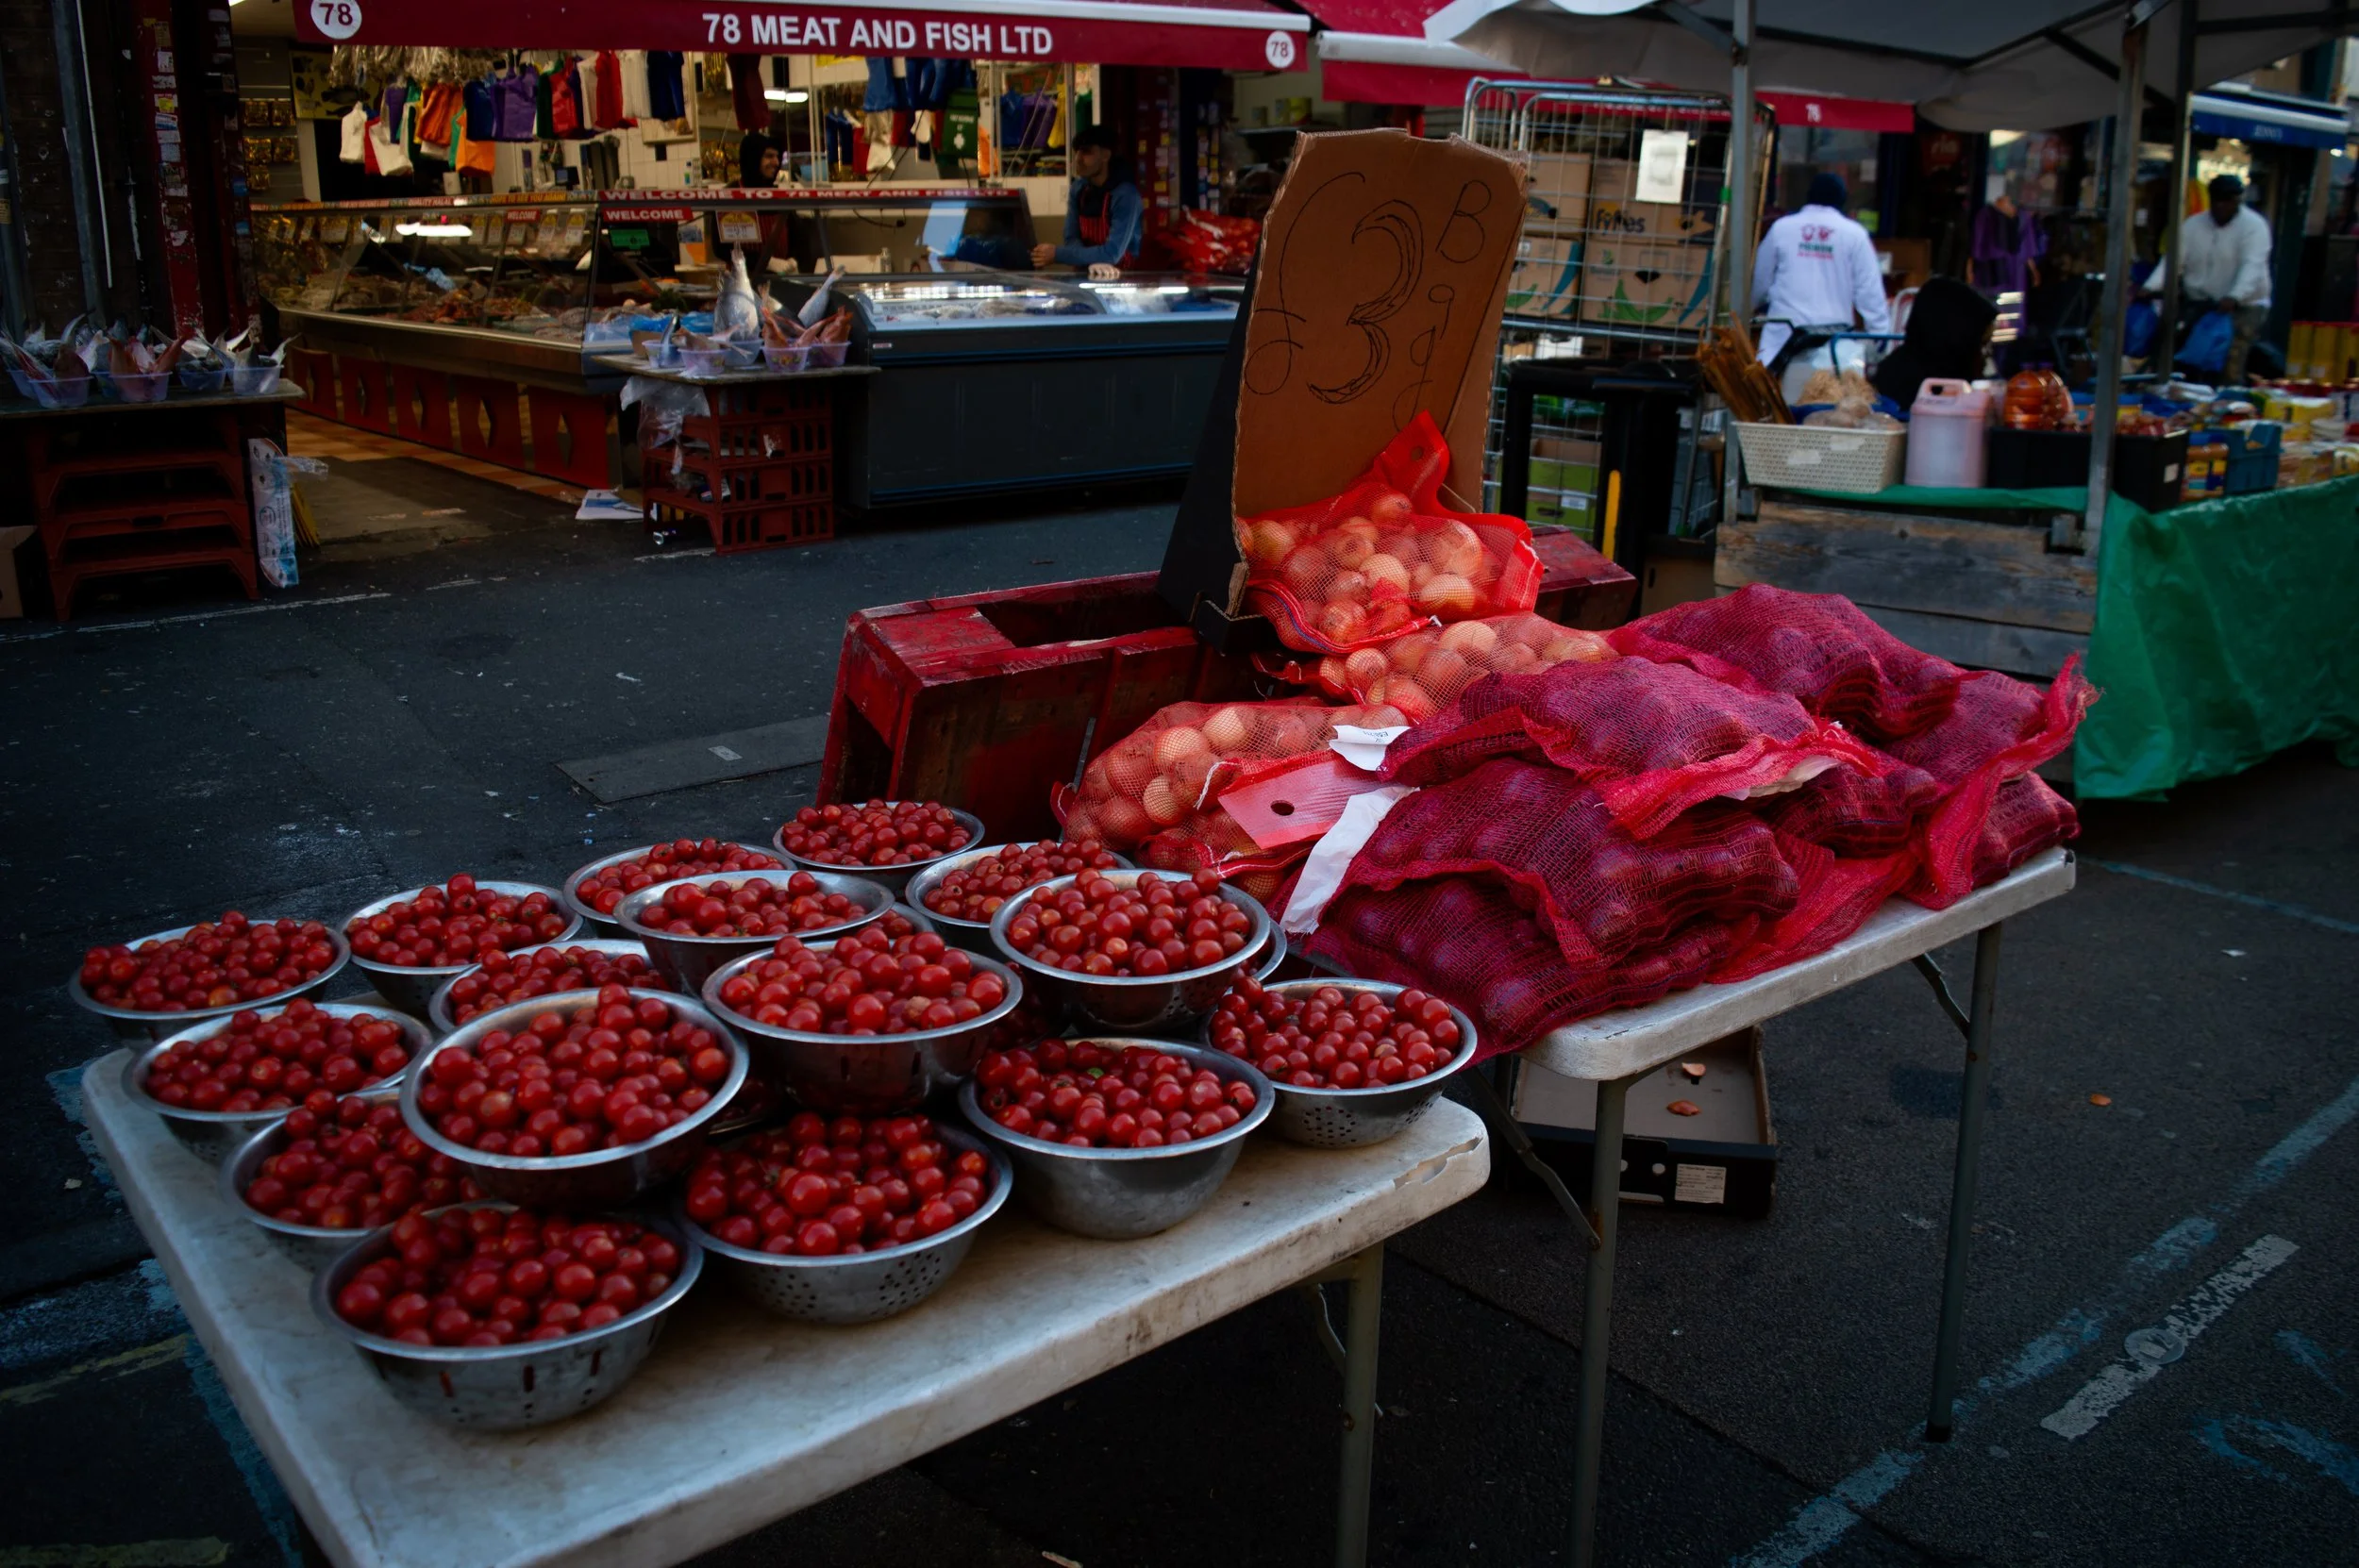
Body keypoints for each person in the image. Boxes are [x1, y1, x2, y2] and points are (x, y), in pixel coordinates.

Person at [2143, 174, 2274, 384]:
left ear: (2237, 201)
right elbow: (2173, 261)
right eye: (2217, 200)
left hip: (2244, 306)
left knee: (2230, 358)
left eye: (2227, 201)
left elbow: (2252, 266)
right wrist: (2150, 287)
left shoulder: (2254, 227)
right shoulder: (2193, 226)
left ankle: (2227, 400)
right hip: (2202, 302)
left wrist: (2235, 296)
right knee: (2183, 353)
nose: (2221, 206)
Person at [1749, 172, 1891, 366]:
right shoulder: (1854, 235)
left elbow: (1761, 278)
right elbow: (1869, 290)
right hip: (1833, 344)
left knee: (1773, 394)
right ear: (1842, 200)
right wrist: (1880, 336)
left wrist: (1752, 306)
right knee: (1827, 394)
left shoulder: (1782, 228)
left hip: (1782, 339)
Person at [1031, 125, 1140, 273]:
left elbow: (1112, 253)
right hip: (1084, 276)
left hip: (1123, 279)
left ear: (1105, 155)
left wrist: (1057, 254)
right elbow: (1071, 238)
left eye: (1086, 153)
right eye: (1077, 152)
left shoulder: (1126, 195)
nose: (1078, 159)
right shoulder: (1078, 189)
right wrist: (1090, 263)